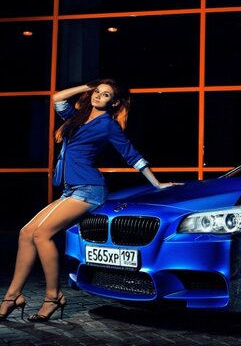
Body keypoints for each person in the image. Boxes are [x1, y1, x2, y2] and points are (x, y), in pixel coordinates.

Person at [0, 79, 179, 322]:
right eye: (97, 92)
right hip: (71, 189)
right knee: (25, 233)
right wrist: (87, 87)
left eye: (105, 94)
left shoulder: (108, 125)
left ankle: (53, 297)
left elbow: (132, 155)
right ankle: (13, 296)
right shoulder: (75, 118)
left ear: (113, 102)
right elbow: (56, 98)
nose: (98, 96)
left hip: (89, 189)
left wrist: (156, 183)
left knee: (41, 234)